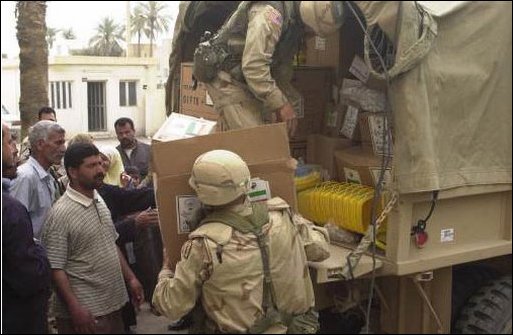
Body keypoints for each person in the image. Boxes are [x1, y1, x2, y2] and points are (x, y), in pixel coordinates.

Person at [153, 150, 330, 333]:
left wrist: (165, 270)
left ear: (201, 192)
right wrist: (299, 221)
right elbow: (321, 249)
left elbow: (171, 306)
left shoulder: (203, 244)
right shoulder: (282, 215)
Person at [193, 1, 344, 135]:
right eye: (312, 30)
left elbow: (282, 68)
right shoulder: (269, 15)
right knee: (256, 143)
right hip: (226, 76)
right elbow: (254, 66)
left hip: (248, 79)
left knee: (270, 134)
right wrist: (281, 104)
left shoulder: (293, 22)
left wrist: (285, 101)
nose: (310, 35)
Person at [41, 143, 144, 334]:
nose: (99, 170)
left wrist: (131, 279)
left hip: (112, 304)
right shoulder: (61, 214)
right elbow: (56, 268)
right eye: (91, 166)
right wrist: (75, 308)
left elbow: (109, 242)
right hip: (86, 314)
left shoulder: (97, 198)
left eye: (99, 163)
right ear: (72, 171)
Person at [2, 122, 52, 334]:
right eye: (9, 140)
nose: (15, 148)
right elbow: (29, 276)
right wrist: (38, 250)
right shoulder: (10, 209)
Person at [10, 120, 66, 239]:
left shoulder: (48, 177)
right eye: (58, 143)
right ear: (40, 144)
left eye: (64, 143)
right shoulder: (25, 177)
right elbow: (15, 226)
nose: (63, 149)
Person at [114, 117, 151, 182]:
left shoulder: (149, 150)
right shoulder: (114, 154)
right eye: (120, 133)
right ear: (117, 134)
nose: (124, 136)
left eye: (127, 132)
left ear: (133, 131)